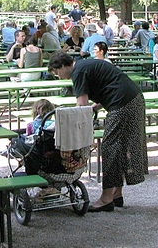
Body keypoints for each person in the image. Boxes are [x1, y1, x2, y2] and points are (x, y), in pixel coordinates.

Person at [48, 52, 148, 212]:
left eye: (57, 73)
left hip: (123, 104)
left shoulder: (78, 72)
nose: (59, 77)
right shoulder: (85, 65)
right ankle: (116, 194)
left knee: (110, 148)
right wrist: (97, 106)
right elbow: (109, 84)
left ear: (62, 66)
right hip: (134, 99)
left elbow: (81, 106)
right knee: (122, 147)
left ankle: (106, 199)